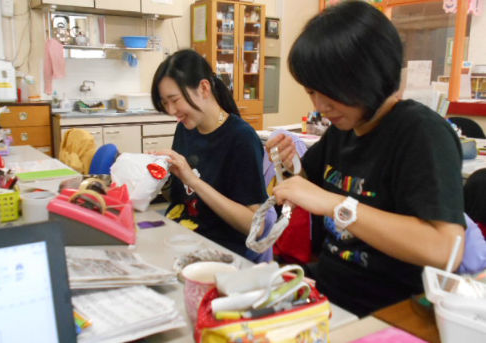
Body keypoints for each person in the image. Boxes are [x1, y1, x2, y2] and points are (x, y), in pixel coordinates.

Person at [266, 1, 465, 317]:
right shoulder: (346, 127)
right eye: (311, 93)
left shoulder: (422, 133)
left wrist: (336, 205)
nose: (320, 106)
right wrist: (289, 168)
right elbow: (306, 189)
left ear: (369, 74)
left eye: (329, 91)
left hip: (389, 312)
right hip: (327, 295)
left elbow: (445, 250)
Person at [150, 49, 270, 261]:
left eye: (174, 100)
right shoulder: (185, 129)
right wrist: (156, 177)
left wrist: (193, 180)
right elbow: (181, 197)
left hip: (217, 252)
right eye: (165, 103)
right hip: (179, 237)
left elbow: (256, 226)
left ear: (204, 88)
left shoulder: (241, 138)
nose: (171, 110)